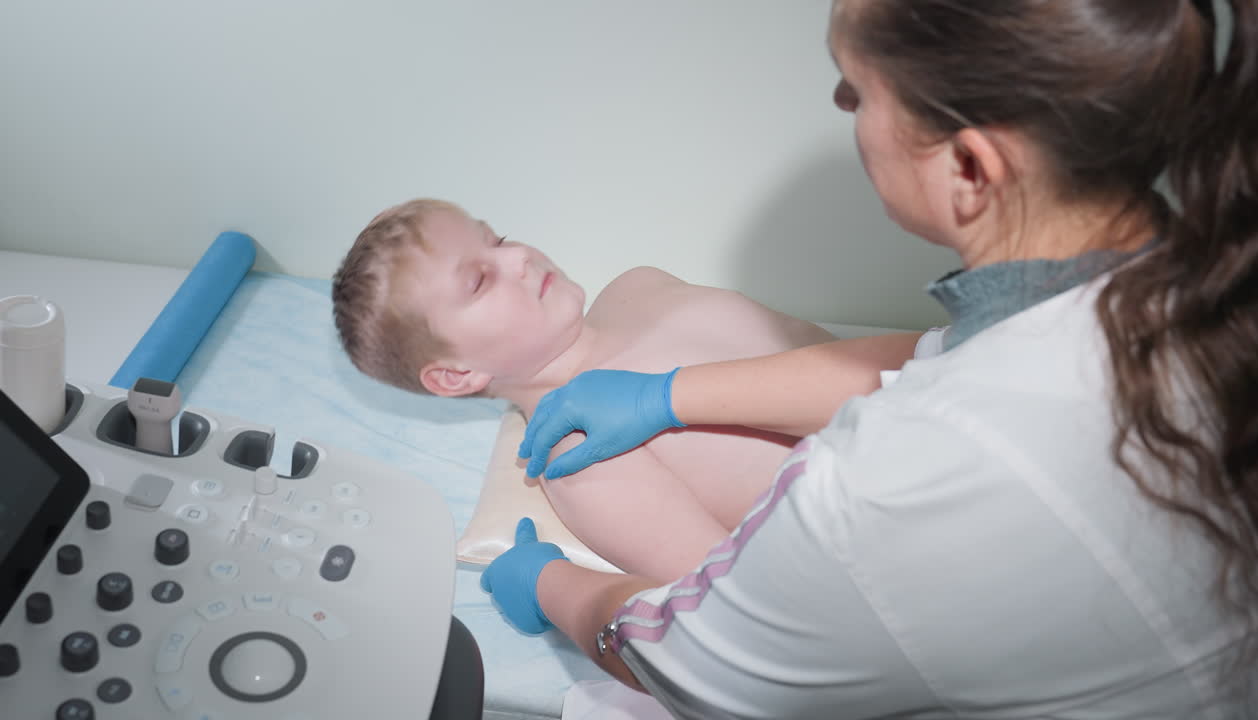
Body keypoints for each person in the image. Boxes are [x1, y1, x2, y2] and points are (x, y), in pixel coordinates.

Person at [481, 0, 1258, 717]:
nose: (839, 107)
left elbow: (687, 665)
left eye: (856, 91)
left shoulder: (884, 488)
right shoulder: (1211, 282)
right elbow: (943, 355)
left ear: (969, 168)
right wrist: (669, 393)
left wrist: (552, 586)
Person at [330, 197, 922, 581]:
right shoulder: (579, 457)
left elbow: (854, 359)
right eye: (480, 280)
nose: (517, 258)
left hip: (943, 413)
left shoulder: (640, 287)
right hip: (913, 543)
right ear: (457, 375)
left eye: (498, 238)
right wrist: (560, 592)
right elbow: (730, 597)